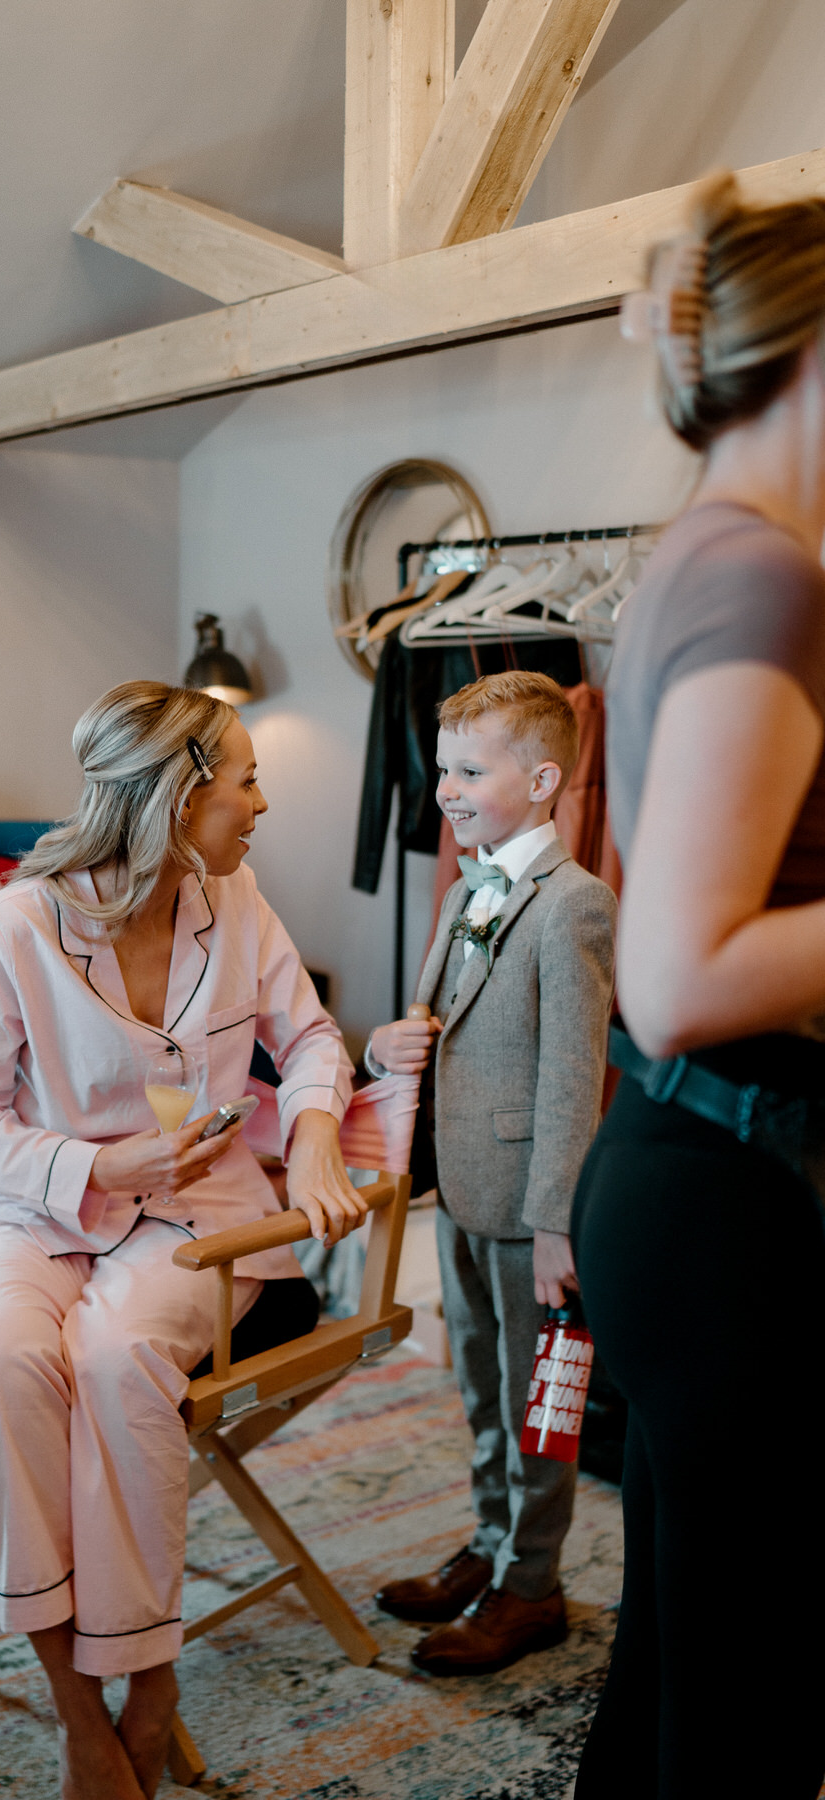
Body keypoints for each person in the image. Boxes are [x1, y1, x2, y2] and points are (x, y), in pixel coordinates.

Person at [0, 680, 365, 1800]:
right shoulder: (10, 928)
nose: (261, 803)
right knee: (0, 1356)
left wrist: (312, 1143)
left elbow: (309, 1035)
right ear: (180, 796)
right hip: (27, 1210)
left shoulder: (238, 899)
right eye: (246, 780)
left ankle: (150, 1685)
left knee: (120, 1364)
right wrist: (91, 1169)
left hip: (194, 1219)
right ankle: (80, 1713)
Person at [571, 173, 825, 1799]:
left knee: (685, 1665)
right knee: (741, 1698)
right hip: (728, 1185)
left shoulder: (708, 554)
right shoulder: (766, 578)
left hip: (686, 1178)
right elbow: (679, 976)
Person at [368, 672, 616, 1674]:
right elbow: (438, 1020)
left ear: (545, 779)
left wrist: (558, 1220)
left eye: (472, 769)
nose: (448, 788)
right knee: (480, 1388)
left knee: (541, 1403)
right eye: (444, 769)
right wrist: (395, 1044)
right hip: (462, 1189)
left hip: (531, 1209)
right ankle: (489, 1541)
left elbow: (574, 1074)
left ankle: (533, 1586)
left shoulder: (574, 906)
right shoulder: (472, 884)